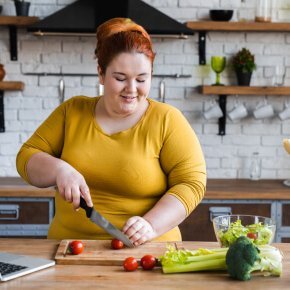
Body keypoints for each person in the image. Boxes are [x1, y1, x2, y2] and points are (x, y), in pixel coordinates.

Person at [16, 18, 206, 246]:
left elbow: (191, 184)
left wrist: (151, 225)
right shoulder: (72, 112)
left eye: (142, 79)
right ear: (100, 73)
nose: (132, 89)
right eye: (120, 78)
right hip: (67, 249)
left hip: (148, 251)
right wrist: (59, 169)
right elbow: (26, 156)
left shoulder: (167, 120)